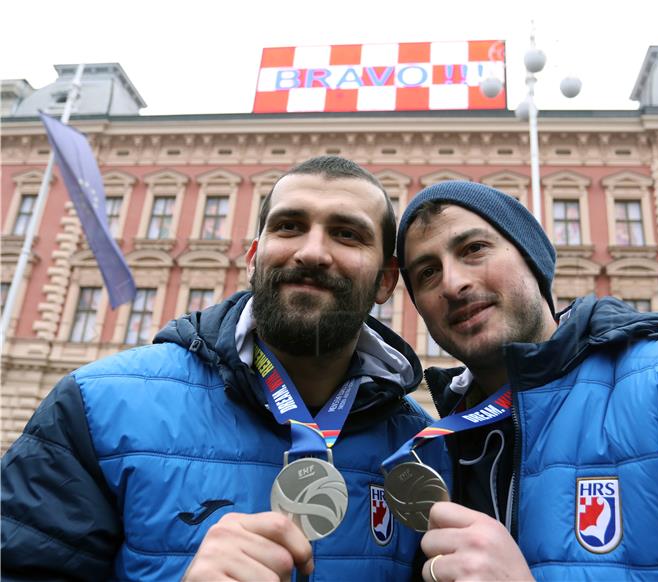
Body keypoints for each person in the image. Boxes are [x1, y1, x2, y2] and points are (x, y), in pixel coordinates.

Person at [1, 155, 448, 581]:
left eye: (347, 234)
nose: (312, 252)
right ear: (254, 257)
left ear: (387, 279)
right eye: (290, 226)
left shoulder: (425, 451)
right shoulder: (94, 408)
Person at [395, 180, 658, 581]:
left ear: (532, 258)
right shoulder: (429, 444)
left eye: (474, 249)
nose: (452, 283)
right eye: (428, 273)